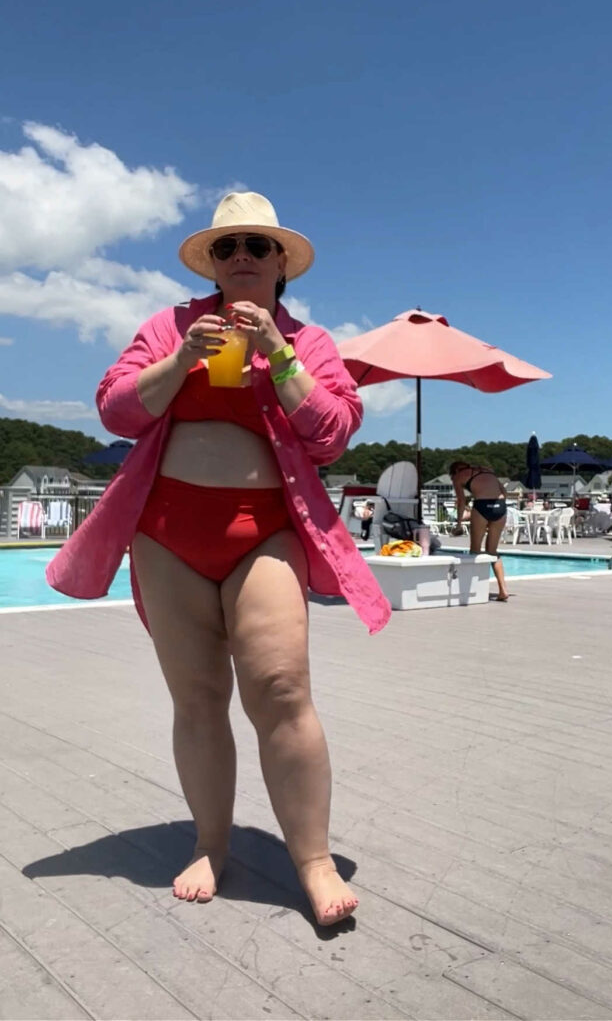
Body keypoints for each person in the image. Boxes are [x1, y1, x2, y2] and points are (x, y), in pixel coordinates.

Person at [47, 191, 392, 924]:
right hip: (167, 531)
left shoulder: (310, 339)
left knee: (281, 688)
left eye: (256, 246)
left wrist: (279, 352)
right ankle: (211, 843)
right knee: (197, 697)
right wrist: (179, 361)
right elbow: (116, 408)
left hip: (263, 529)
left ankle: (313, 860)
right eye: (228, 246)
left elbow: (333, 433)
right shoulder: (169, 326)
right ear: (212, 261)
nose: (241, 256)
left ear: (279, 264)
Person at [449, 462, 510, 601]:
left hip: (482, 506)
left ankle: (473, 590)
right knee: (493, 552)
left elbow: (461, 501)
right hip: (500, 507)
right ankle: (503, 590)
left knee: (475, 551)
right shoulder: (488, 471)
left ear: (456, 471)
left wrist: (459, 523)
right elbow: (504, 493)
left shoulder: (458, 477)